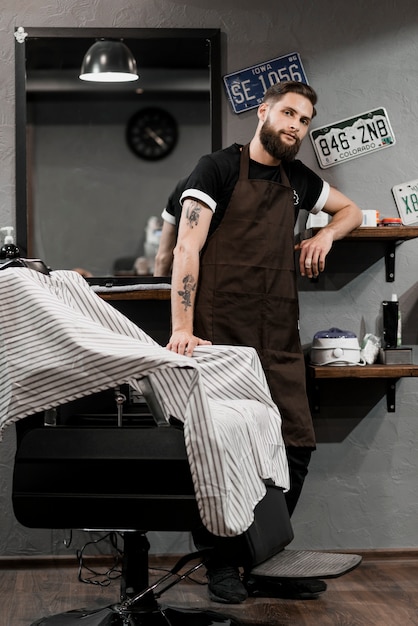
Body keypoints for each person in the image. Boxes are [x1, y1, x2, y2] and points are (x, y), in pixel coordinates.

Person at [154, 81, 363, 604]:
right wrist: (181, 328)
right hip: (218, 339)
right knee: (219, 453)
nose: (296, 124)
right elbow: (185, 248)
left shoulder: (297, 182)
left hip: (276, 341)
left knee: (295, 447)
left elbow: (352, 211)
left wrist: (323, 235)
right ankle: (222, 566)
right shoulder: (217, 169)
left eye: (305, 120)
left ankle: (260, 560)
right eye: (288, 113)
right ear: (263, 111)